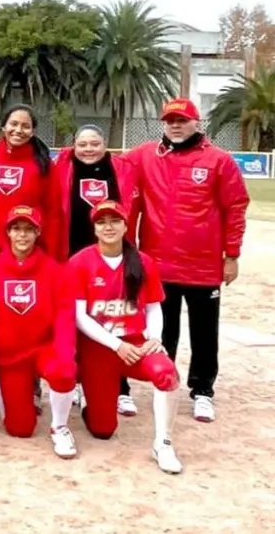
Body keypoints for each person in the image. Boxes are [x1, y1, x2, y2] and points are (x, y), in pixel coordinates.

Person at [126, 98, 250, 423]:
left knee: (204, 333)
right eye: (169, 120)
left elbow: (235, 207)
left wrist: (232, 256)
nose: (175, 125)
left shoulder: (219, 161)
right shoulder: (144, 156)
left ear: (197, 123)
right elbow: (100, 160)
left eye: (182, 120)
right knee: (163, 332)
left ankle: (202, 391)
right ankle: (164, 383)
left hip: (204, 266)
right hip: (158, 265)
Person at [68, 200, 183, 474]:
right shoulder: (80, 262)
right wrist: (115, 344)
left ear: (125, 225)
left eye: (114, 221)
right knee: (103, 430)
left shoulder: (142, 262)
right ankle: (88, 395)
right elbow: (79, 316)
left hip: (134, 343)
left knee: (166, 372)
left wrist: (154, 337)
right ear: (94, 228)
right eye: (101, 222)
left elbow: (154, 307)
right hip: (99, 347)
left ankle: (163, 443)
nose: (108, 227)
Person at [0, 205, 78, 459]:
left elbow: (65, 318)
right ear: (8, 233)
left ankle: (60, 426)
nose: (22, 235)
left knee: (63, 372)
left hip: (43, 349)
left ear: (37, 232)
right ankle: (7, 389)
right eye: (17, 229)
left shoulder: (54, 271)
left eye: (29, 229)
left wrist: (65, 360)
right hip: (11, 357)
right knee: (20, 429)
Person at [53, 124, 141, 416]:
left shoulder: (122, 169)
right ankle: (79, 381)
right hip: (74, 258)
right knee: (77, 318)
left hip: (115, 256)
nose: (88, 149)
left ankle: (122, 387)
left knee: (117, 316)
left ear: (106, 145)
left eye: (95, 143)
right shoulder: (63, 166)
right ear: (73, 147)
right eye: (82, 144)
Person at [0, 105, 61, 264]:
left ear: (33, 131)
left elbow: (54, 212)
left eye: (26, 126)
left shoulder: (44, 165)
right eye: (13, 124)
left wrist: (52, 253)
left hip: (28, 246)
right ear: (3, 126)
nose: (19, 130)